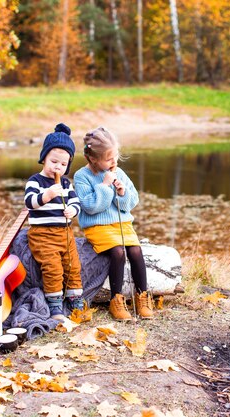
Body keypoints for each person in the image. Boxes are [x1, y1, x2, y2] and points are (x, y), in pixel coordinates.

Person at [73, 127, 153, 321]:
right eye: (109, 159)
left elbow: (131, 203)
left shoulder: (120, 172)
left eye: (116, 156)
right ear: (93, 159)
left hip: (122, 224)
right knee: (118, 252)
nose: (114, 162)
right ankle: (116, 300)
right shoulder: (81, 176)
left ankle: (142, 297)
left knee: (135, 251)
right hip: (97, 227)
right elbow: (91, 207)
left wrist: (122, 192)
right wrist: (106, 187)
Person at [25, 123, 84, 321]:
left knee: (73, 265)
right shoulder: (35, 181)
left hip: (64, 233)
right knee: (52, 268)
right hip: (43, 234)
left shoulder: (66, 183)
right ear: (44, 158)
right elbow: (29, 203)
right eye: (53, 161)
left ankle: (75, 298)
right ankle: (55, 304)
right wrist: (47, 195)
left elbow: (76, 202)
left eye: (63, 164)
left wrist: (72, 210)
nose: (58, 167)